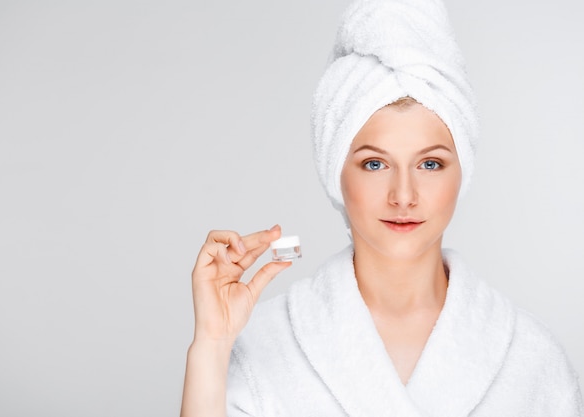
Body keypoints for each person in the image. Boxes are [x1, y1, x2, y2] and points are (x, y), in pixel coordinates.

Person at [180, 0, 583, 415]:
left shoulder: (533, 361)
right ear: (335, 170)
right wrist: (210, 345)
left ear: (463, 171)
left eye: (430, 164)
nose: (403, 196)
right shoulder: (263, 344)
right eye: (375, 163)